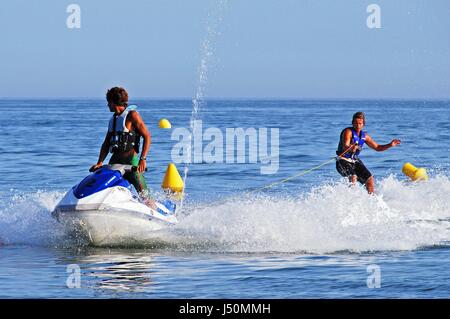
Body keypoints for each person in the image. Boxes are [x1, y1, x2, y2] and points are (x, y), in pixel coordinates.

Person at [90, 87, 154, 207]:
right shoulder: (113, 119)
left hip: (132, 162)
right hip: (115, 161)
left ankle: (152, 209)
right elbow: (106, 143)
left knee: (144, 195)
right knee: (106, 188)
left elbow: (147, 136)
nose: (107, 104)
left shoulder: (132, 115)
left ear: (114, 102)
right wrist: (99, 162)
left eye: (108, 102)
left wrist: (143, 159)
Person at [336, 112, 401, 194]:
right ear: (352, 123)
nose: (358, 125)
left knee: (369, 179)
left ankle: (372, 200)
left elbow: (377, 147)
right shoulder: (348, 132)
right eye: (355, 123)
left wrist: (390, 145)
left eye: (360, 123)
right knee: (353, 177)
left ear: (363, 124)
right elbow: (345, 145)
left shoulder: (365, 136)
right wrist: (351, 147)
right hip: (342, 161)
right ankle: (350, 199)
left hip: (354, 161)